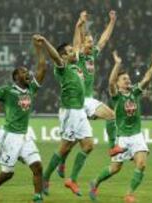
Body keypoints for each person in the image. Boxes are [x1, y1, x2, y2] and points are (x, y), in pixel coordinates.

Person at [0, 34, 47, 203]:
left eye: (27, 71)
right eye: (23, 72)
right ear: (16, 77)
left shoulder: (31, 90)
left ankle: (37, 198)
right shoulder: (7, 90)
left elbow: (42, 68)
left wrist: (38, 49)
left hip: (24, 135)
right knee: (8, 173)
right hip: (10, 137)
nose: (27, 73)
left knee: (37, 166)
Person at [57, 9, 122, 179]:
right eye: (89, 42)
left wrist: (112, 22)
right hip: (76, 102)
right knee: (69, 144)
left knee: (112, 116)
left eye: (92, 42)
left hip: (88, 100)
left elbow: (104, 39)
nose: (92, 44)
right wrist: (80, 22)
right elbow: (76, 39)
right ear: (82, 44)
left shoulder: (92, 54)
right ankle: (62, 163)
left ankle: (113, 146)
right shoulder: (76, 56)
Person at [89, 51, 152, 203]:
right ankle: (95, 182)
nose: (128, 80)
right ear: (118, 83)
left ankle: (129, 194)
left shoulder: (134, 92)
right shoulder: (117, 96)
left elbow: (147, 79)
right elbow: (110, 83)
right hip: (122, 138)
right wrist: (117, 64)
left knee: (141, 164)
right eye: (124, 79)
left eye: (128, 78)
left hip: (136, 136)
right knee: (115, 168)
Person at [41, 29, 92, 196]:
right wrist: (45, 41)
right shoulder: (62, 67)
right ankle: (45, 177)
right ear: (64, 56)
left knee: (88, 145)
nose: (73, 52)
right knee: (64, 148)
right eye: (70, 51)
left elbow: (77, 44)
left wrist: (80, 24)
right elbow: (55, 56)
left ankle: (72, 180)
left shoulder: (76, 65)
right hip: (69, 111)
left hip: (80, 110)